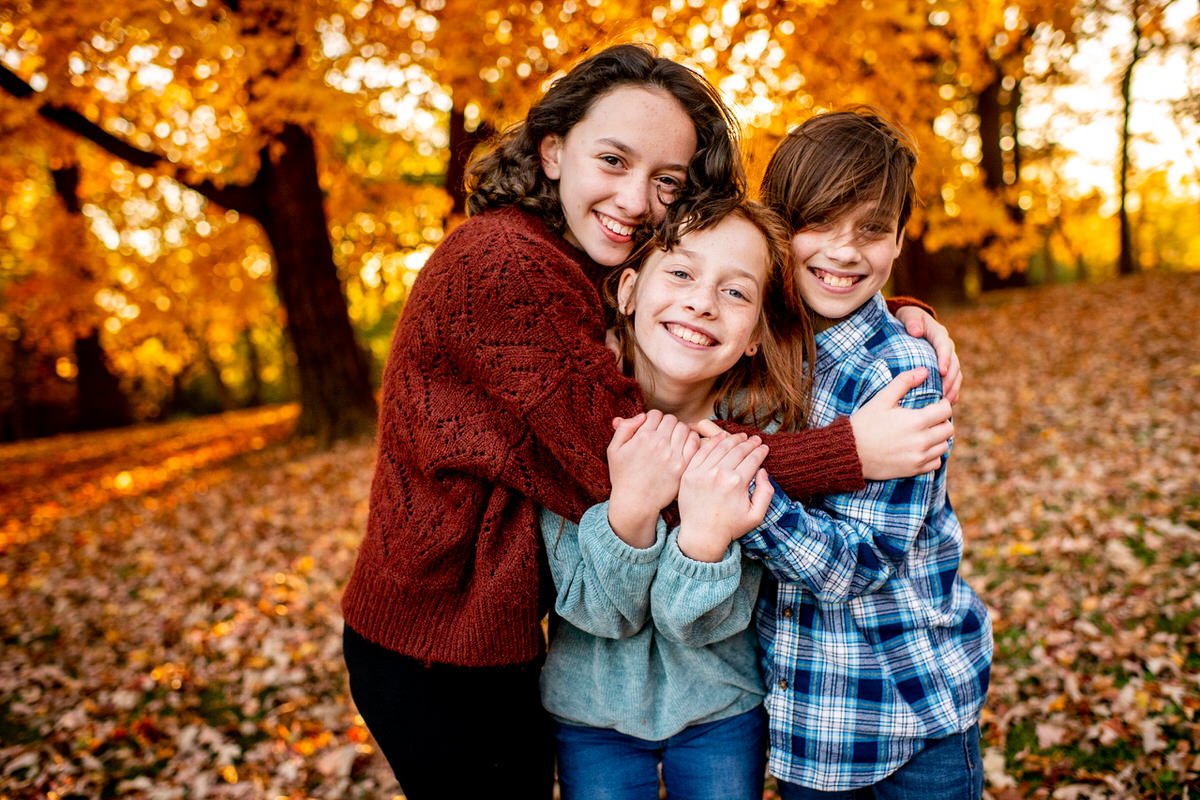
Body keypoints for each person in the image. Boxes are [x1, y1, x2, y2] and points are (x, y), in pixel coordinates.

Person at [340, 44, 958, 799]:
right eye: (613, 160)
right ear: (553, 149)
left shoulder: (577, 264)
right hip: (438, 640)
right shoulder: (507, 263)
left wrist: (886, 315)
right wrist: (846, 451)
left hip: (493, 637)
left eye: (665, 181)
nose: (636, 200)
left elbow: (730, 286)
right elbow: (634, 459)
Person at [734, 108, 993, 798]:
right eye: (818, 223)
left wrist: (740, 496)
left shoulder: (902, 372)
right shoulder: (748, 346)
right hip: (807, 721)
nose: (845, 252)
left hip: (909, 710)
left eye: (872, 229)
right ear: (776, 225)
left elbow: (858, 563)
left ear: (900, 238)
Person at [540, 199, 803, 800]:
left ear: (758, 334)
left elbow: (700, 623)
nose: (702, 302)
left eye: (736, 293)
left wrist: (705, 539)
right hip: (590, 715)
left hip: (721, 710)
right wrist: (630, 509)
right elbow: (596, 612)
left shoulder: (761, 439)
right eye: (681, 273)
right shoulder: (571, 417)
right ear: (629, 290)